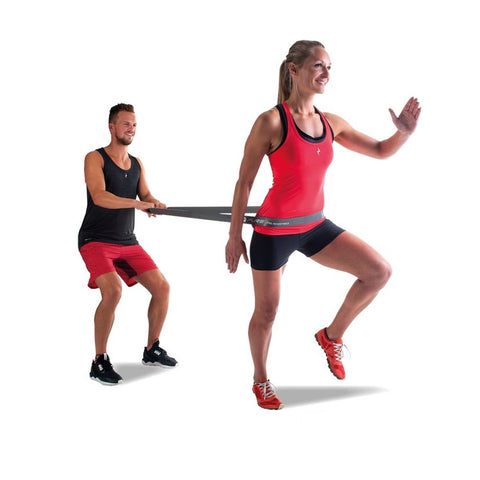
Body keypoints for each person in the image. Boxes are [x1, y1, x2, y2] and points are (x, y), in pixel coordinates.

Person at [225, 41, 421, 410]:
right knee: (266, 313)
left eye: (329, 67)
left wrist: (404, 132)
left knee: (378, 272)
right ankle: (260, 380)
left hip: (314, 226)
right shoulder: (271, 121)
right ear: (294, 70)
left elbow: (380, 149)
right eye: (318, 66)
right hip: (273, 231)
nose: (326, 74)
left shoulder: (331, 122)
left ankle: (332, 337)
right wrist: (234, 236)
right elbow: (244, 182)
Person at [79, 103, 177, 386]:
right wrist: (137, 204)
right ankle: (99, 362)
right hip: (95, 240)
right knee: (112, 291)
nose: (131, 129)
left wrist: (153, 203)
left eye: (134, 124)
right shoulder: (94, 158)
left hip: (127, 241)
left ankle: (151, 349)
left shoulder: (136, 163)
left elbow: (144, 193)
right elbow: (99, 196)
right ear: (111, 127)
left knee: (162, 288)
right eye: (125, 124)